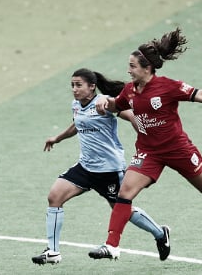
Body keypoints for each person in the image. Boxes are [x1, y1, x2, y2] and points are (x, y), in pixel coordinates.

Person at [88, 28, 202, 260]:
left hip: (178, 150)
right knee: (124, 193)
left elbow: (201, 94)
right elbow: (119, 105)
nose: (128, 70)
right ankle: (112, 245)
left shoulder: (168, 86)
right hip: (148, 152)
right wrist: (106, 103)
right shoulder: (130, 89)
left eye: (132, 66)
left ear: (147, 68)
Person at [32, 68, 170, 265]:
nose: (74, 89)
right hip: (86, 167)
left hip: (109, 170)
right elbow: (77, 124)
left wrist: (147, 138)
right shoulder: (76, 104)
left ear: (92, 86)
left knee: (123, 210)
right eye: (72, 85)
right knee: (54, 197)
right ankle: (53, 251)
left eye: (79, 85)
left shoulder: (104, 103)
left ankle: (160, 233)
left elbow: (131, 116)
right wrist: (58, 138)